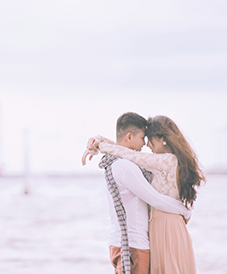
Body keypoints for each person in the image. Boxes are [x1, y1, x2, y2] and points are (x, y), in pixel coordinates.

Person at [83, 115, 205, 274]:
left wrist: (99, 145)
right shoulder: (151, 163)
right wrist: (97, 141)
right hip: (160, 225)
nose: (146, 144)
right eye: (143, 138)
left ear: (163, 139)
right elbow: (126, 152)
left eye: (149, 139)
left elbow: (129, 154)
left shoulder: (167, 160)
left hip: (166, 224)